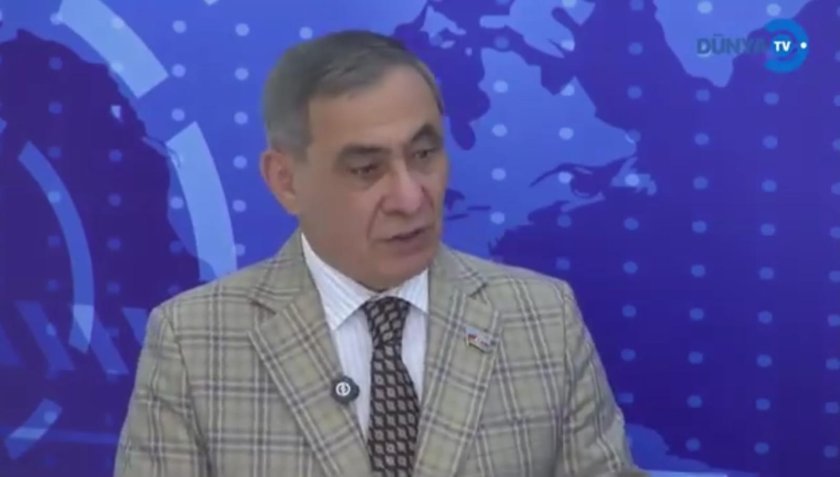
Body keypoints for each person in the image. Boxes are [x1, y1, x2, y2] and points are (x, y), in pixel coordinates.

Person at [114, 30, 646, 477]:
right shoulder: (193, 342)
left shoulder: (544, 320)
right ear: (286, 181)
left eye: (424, 153)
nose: (411, 198)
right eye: (366, 169)